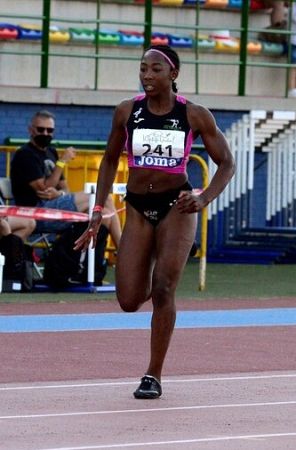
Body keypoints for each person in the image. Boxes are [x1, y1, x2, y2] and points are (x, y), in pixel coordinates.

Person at [74, 45, 235, 399]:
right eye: (143, 69)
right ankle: (153, 262)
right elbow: (109, 160)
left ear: (173, 74)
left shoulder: (194, 114)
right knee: (129, 299)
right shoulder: (127, 111)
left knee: (163, 289)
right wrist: (97, 210)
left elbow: (227, 162)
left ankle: (153, 374)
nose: (147, 75)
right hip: (137, 207)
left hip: (177, 206)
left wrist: (204, 197)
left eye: (155, 69)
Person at [10, 111, 122, 245]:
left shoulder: (51, 152)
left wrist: (59, 194)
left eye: (49, 130)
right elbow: (44, 189)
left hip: (55, 208)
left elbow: (65, 189)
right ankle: (122, 250)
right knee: (104, 197)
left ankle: (90, 258)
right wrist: (62, 162)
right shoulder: (25, 154)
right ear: (31, 130)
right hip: (35, 212)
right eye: (41, 129)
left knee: (105, 215)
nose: (45, 133)